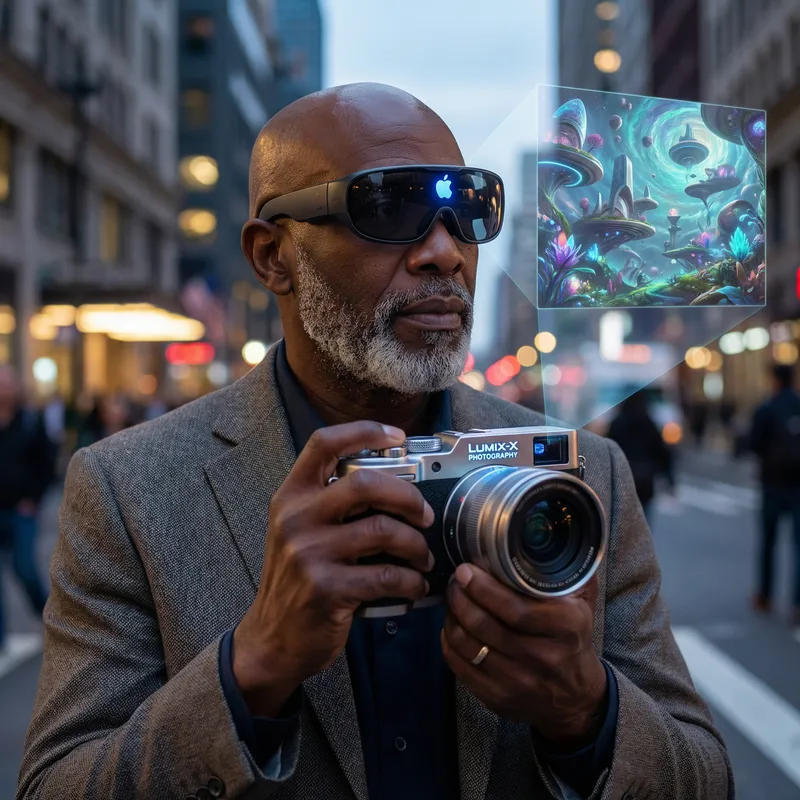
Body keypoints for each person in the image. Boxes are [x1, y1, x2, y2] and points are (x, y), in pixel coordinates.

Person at [18, 84, 732, 800]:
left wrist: (587, 714)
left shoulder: (586, 477)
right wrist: (252, 668)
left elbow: (705, 778)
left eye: (470, 212)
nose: (444, 253)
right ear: (273, 258)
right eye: (389, 207)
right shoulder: (128, 491)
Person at [0, 365, 56, 653]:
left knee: (24, 568)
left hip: (22, 510)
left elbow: (46, 465)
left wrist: (32, 499)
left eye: (7, 384)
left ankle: (50, 620)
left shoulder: (30, 421)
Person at [748, 364, 800, 627]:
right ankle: (797, 603)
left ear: (775, 380)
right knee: (798, 545)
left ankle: (765, 597)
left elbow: (753, 443)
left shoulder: (768, 408)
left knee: (769, 542)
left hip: (773, 483)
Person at [606, 391, 675, 525]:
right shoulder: (649, 423)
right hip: (645, 478)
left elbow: (608, 451)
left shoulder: (618, 422)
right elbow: (661, 452)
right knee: (643, 518)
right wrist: (669, 479)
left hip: (623, 477)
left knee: (621, 519)